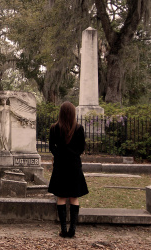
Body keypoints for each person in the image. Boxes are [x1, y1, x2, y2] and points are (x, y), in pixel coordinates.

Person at [48, 101, 89, 238]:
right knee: (74, 197)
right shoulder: (78, 128)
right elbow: (81, 148)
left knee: (61, 196)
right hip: (74, 165)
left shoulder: (54, 128)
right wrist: (73, 154)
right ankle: (72, 229)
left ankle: (63, 229)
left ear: (61, 113)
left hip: (60, 165)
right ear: (73, 113)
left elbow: (51, 147)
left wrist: (59, 155)